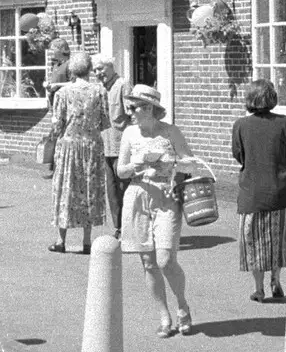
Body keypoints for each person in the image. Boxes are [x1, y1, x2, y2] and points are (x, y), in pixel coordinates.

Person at [117, 84, 209, 336]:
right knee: (148, 262)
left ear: (149, 108)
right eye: (129, 107)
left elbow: (192, 163)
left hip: (167, 197)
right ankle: (163, 315)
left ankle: (182, 306)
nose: (130, 112)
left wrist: (172, 162)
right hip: (138, 197)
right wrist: (136, 164)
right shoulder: (129, 134)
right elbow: (120, 170)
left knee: (166, 259)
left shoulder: (170, 132)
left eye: (134, 107)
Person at [232, 78, 286, 302]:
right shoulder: (284, 122)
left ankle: (258, 288)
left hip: (252, 191)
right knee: (277, 239)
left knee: (252, 241)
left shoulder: (240, 125)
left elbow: (238, 155)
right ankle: (276, 281)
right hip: (280, 189)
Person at [48, 52, 111, 254]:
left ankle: (61, 240)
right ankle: (86, 242)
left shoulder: (62, 94)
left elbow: (57, 124)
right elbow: (105, 121)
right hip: (92, 146)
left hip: (69, 146)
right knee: (89, 190)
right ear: (89, 70)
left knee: (66, 189)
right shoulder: (99, 91)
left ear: (72, 71)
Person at [92, 54, 130, 231]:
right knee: (112, 192)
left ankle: (131, 227)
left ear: (110, 66)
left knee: (125, 189)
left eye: (101, 69)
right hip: (105, 146)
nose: (98, 73)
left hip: (121, 146)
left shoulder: (123, 85)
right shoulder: (100, 89)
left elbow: (133, 116)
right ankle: (119, 229)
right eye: (95, 70)